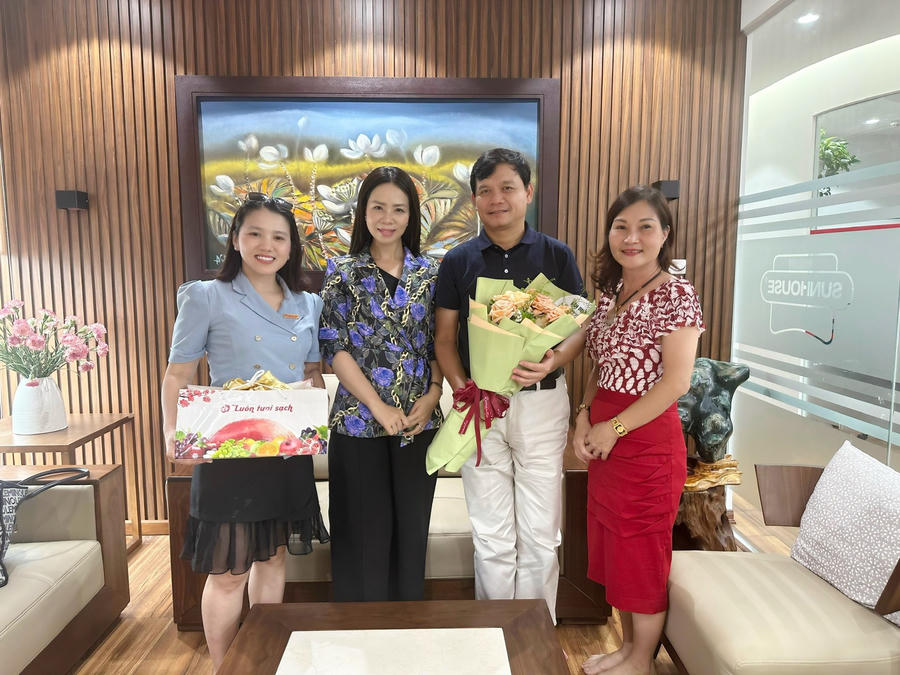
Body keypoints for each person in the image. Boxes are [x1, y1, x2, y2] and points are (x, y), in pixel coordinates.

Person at [161, 193, 329, 672]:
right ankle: (224, 667)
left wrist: (313, 408)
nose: (266, 245)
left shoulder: (307, 303)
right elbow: (178, 374)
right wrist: (172, 431)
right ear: (235, 239)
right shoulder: (206, 296)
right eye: (254, 233)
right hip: (229, 450)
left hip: (286, 449)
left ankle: (261, 659)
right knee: (229, 571)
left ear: (291, 247)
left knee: (273, 560)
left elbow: (312, 372)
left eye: (279, 237)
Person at [433, 148, 586, 623]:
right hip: (480, 408)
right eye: (485, 191)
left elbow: (578, 327)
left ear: (528, 192)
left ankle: (533, 635)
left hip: (542, 404)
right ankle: (495, 631)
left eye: (507, 188)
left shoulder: (556, 255)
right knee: (491, 533)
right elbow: (444, 340)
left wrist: (554, 359)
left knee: (540, 533)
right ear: (475, 199)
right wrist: (465, 390)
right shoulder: (457, 261)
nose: (496, 198)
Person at [574, 185, 703, 675]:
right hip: (606, 432)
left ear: (664, 234)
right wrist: (583, 415)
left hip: (646, 441)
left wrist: (614, 427)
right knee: (618, 548)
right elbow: (600, 366)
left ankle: (642, 660)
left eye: (645, 227)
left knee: (643, 550)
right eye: (621, 227)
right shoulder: (610, 294)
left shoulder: (676, 294)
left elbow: (676, 381)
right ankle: (628, 649)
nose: (631, 238)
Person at [318, 166, 444, 602]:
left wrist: (434, 394)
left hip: (419, 420)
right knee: (363, 534)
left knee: (411, 529)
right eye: (378, 207)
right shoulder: (342, 270)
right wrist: (378, 406)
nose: (387, 218)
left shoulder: (431, 272)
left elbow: (441, 343)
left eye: (398, 209)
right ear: (363, 212)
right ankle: (360, 627)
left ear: (411, 215)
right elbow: (334, 347)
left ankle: (406, 624)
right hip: (358, 422)